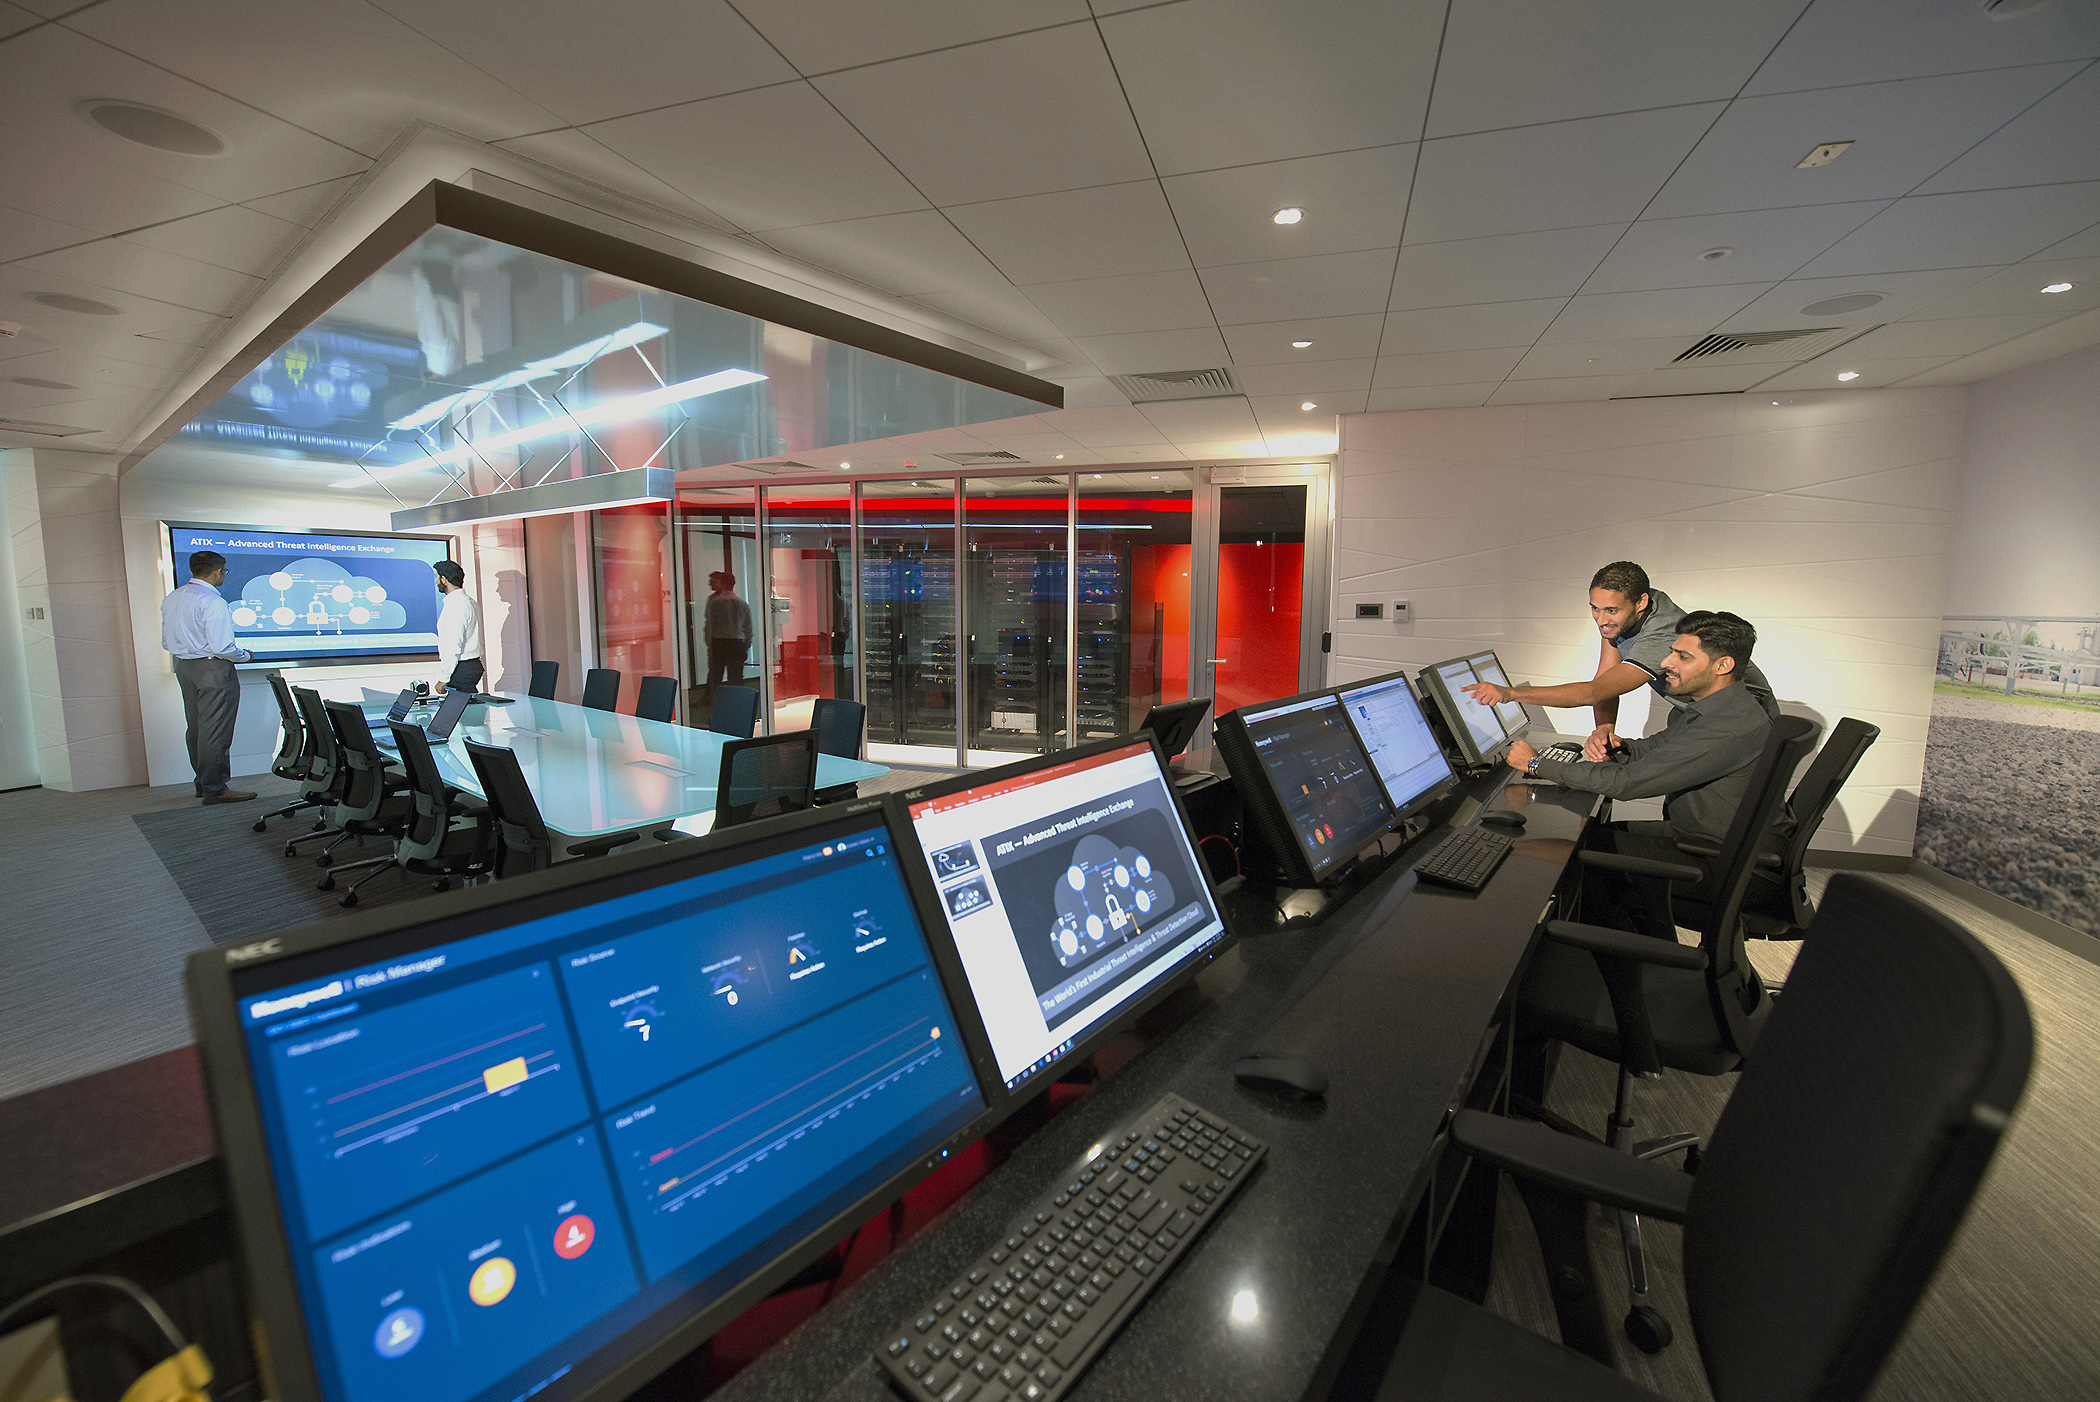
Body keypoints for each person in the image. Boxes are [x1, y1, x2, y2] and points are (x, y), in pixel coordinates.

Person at [1504, 611, 1773, 941]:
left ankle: (1632, 961)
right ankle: (1649, 949)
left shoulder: (1726, 725)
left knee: (1581, 859)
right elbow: (1655, 748)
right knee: (1593, 837)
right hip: (1706, 840)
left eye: (1683, 656)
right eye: (1672, 651)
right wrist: (1618, 746)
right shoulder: (1715, 708)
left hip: (1719, 860)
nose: (1666, 662)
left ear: (1723, 665)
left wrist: (1536, 765)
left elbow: (1626, 784)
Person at [1462, 560, 1776, 758]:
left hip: (1742, 722)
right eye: (1594, 608)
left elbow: (1594, 692)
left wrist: (1511, 693)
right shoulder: (1623, 616)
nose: (1601, 620)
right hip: (1698, 714)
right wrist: (1604, 729)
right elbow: (1606, 681)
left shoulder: (1661, 634)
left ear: (1641, 602)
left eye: (1611, 610)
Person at [160, 550, 255, 805]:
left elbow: (166, 642)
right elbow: (222, 647)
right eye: (224, 571)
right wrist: (245, 656)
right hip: (213, 669)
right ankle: (215, 789)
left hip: (185, 668)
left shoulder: (172, 598)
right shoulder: (212, 601)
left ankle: (203, 783)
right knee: (215, 731)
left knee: (197, 729)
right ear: (217, 571)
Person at [434, 560, 483, 693]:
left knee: (462, 706)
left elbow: (452, 645)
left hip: (461, 669)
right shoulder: (469, 602)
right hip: (471, 666)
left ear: (444, 580)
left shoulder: (456, 605)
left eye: (436, 577)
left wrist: (443, 678)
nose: (436, 581)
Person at [704, 570, 752, 697]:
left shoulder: (715, 603)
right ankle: (737, 699)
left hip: (718, 642)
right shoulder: (743, 604)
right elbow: (748, 628)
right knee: (736, 675)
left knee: (715, 674)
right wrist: (746, 644)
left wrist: (709, 642)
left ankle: (713, 701)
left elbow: (710, 625)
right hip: (737, 642)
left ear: (722, 583)